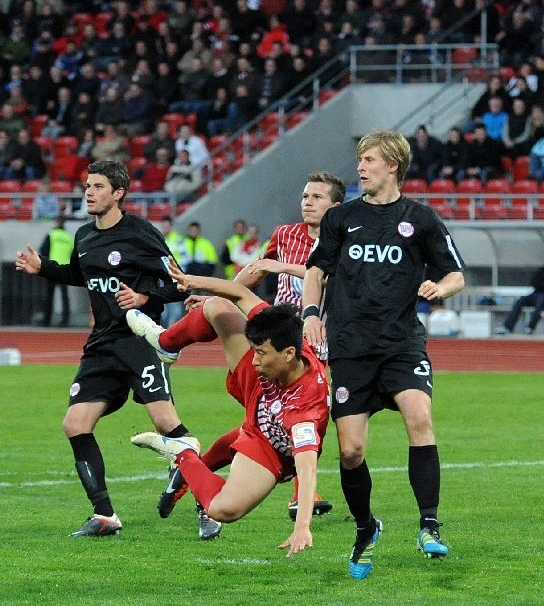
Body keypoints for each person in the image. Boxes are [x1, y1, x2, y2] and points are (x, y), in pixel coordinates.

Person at [13, 160, 212, 539]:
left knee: (166, 423)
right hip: (102, 344)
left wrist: (144, 297)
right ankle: (104, 515)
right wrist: (44, 268)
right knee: (75, 424)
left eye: (98, 186)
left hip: (140, 340)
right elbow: (81, 274)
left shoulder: (141, 233)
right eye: (87, 186)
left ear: (118, 193)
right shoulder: (84, 235)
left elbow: (179, 283)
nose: (89, 192)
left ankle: (210, 507)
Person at [302, 129, 466, 579]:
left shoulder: (421, 219)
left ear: (393, 165)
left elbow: (456, 274)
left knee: (420, 417)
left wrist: (439, 288)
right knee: (351, 451)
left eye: (369, 160)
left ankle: (429, 524)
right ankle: (365, 528)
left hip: (401, 344)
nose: (361, 167)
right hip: (350, 349)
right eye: (360, 160)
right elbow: (315, 271)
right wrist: (311, 313)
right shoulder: (341, 218)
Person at [166, 172, 345, 523]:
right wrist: (223, 294)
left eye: (317, 197)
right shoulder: (285, 234)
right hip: (275, 336)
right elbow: (255, 270)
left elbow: (326, 275)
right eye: (305, 196)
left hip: (316, 340)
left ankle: (194, 467)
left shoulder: (344, 240)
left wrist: (282, 266)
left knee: (290, 419)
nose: (307, 202)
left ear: (335, 207)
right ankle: (165, 344)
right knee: (271, 420)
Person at [128, 263, 330, 557]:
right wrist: (190, 280)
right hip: (262, 392)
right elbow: (239, 292)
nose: (254, 359)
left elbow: (307, 467)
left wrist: (302, 526)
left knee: (224, 509)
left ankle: (183, 452)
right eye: (255, 351)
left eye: (260, 353)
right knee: (218, 306)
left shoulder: (303, 412)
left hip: (271, 447)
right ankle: (165, 342)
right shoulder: (280, 337)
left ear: (288, 354)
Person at [495, 248, 544, 334]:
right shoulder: (543, 269)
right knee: (520, 301)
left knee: (540, 302)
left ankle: (530, 327)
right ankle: (507, 327)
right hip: (536, 293)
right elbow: (534, 282)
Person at [37, 216, 73, 327]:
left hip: (52, 268)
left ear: (56, 222)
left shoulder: (52, 234)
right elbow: (74, 254)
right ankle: (65, 321)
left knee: (49, 295)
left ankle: (46, 320)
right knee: (64, 297)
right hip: (66, 269)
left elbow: (43, 250)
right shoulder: (69, 237)